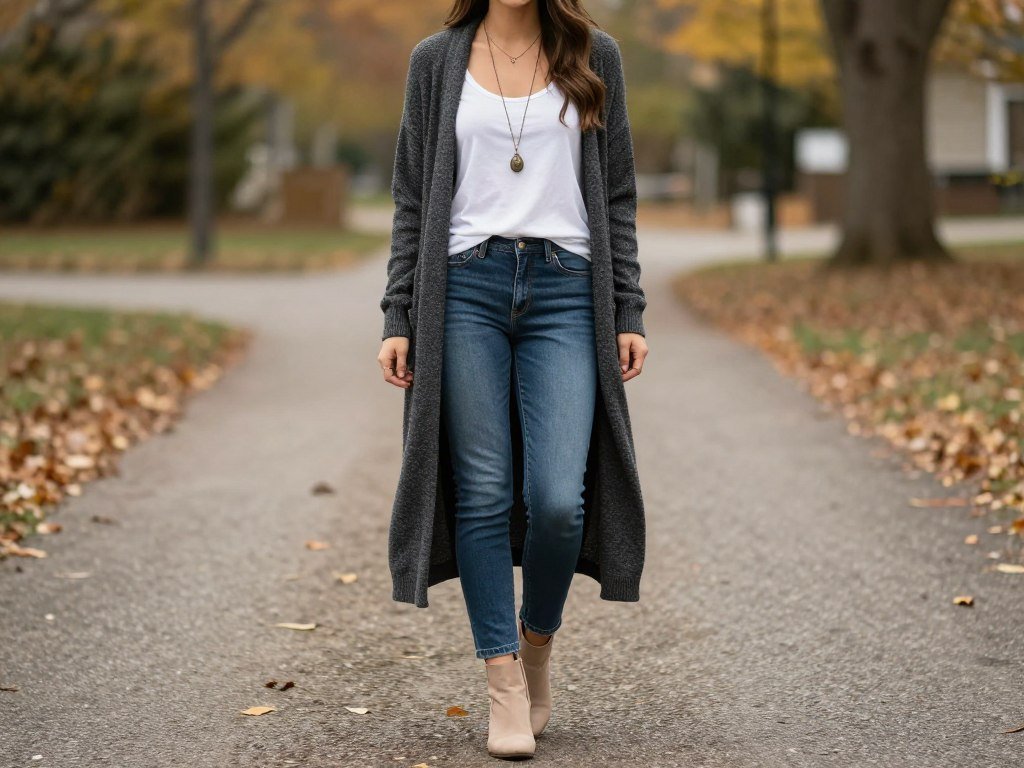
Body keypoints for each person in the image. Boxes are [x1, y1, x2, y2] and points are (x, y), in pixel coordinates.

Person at [377, 0, 649, 759]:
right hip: (464, 286)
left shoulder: (598, 56)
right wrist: (398, 312)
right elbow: (411, 196)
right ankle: (500, 681)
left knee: (560, 499)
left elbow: (618, 194)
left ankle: (536, 645)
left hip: (568, 289)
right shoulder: (435, 61)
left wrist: (628, 303)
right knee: (485, 489)